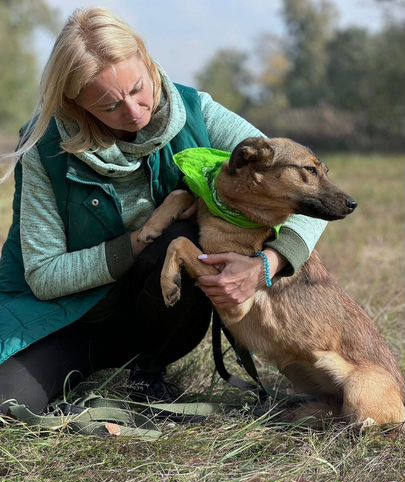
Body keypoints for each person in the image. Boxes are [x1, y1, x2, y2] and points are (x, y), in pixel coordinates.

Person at [0, 8, 326, 415]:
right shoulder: (43, 149)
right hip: (67, 319)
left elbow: (309, 192)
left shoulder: (199, 111)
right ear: (76, 104)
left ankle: (148, 372)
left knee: (179, 237)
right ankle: (90, 365)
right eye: (108, 105)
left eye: (137, 88)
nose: (134, 111)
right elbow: (44, 276)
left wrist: (267, 264)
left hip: (164, 313)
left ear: (147, 58)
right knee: (8, 402)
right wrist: (136, 243)